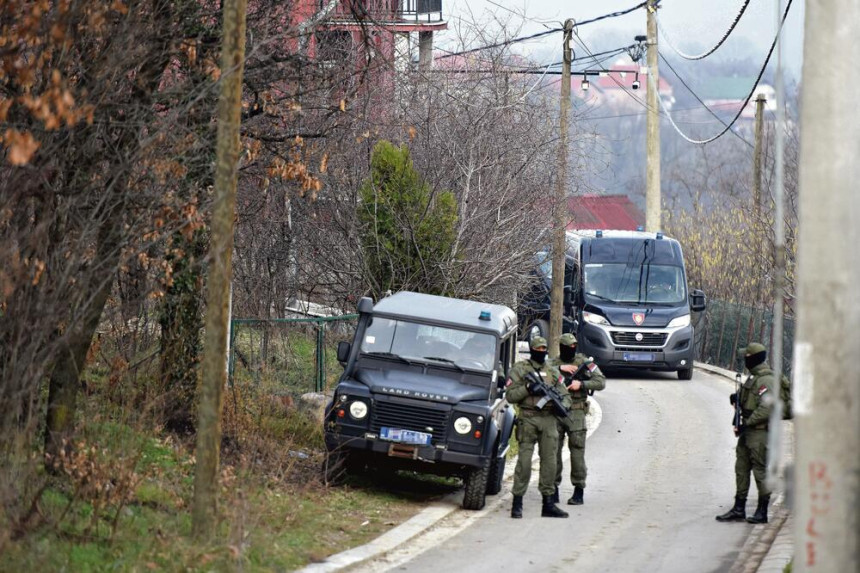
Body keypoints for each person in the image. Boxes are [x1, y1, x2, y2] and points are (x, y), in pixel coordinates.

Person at [505, 336, 570, 519]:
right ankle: (517, 502)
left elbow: (565, 394)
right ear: (533, 350)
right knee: (524, 462)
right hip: (528, 417)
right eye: (538, 349)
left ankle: (548, 503)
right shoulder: (520, 369)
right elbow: (510, 396)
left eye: (544, 349)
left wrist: (563, 405)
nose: (541, 352)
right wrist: (528, 388)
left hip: (549, 419)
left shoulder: (553, 372)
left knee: (550, 462)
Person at [716, 342, 774, 524]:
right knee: (741, 468)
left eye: (746, 357)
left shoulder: (767, 380)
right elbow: (746, 399)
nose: (744, 361)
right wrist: (736, 399)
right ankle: (739, 508)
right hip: (748, 431)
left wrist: (747, 424)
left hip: (760, 433)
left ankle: (762, 511)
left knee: (760, 471)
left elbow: (766, 409)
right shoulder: (753, 378)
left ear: (753, 359)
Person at [549, 333, 606, 505]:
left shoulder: (585, 363)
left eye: (573, 346)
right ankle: (554, 489)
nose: (570, 350)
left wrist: (581, 385)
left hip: (577, 412)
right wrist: (560, 369)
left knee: (577, 453)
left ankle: (578, 490)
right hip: (556, 411)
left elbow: (601, 381)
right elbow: (539, 372)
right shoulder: (553, 363)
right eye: (567, 347)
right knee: (553, 452)